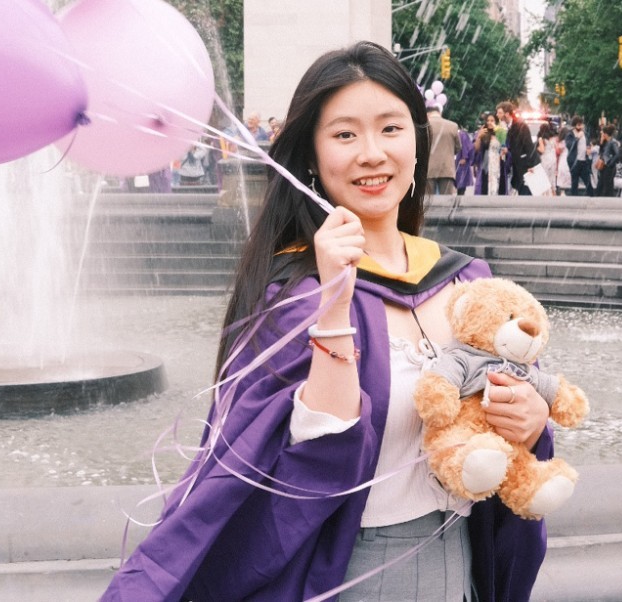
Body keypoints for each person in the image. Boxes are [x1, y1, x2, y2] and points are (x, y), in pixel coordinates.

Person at [100, 41, 555, 602]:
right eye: (345, 135)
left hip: (458, 565)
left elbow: (510, 444)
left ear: (416, 140)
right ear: (312, 157)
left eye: (391, 129)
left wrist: (532, 423)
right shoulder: (293, 294)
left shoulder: (468, 282)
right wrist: (334, 306)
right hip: (347, 571)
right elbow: (312, 467)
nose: (372, 154)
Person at [497, 101, 536, 195]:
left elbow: (529, 146)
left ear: (506, 114)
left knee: (525, 194)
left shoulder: (521, 126)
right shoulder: (505, 127)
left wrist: (531, 165)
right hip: (515, 167)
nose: (497, 115)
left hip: (524, 166)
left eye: (499, 112)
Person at [426, 103, 461, 195]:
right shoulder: (453, 126)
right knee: (446, 201)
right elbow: (458, 147)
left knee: (428, 201)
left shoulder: (422, 126)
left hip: (428, 169)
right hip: (446, 168)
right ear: (439, 113)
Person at [473, 112, 502, 195]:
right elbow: (476, 149)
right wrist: (479, 136)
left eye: (492, 120)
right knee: (484, 185)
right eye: (488, 120)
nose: (490, 122)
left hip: (497, 162)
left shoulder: (500, 133)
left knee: (496, 185)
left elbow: (504, 147)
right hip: (485, 162)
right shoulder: (483, 132)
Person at [565, 116, 594, 196]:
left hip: (584, 161)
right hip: (575, 162)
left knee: (588, 182)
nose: (580, 127)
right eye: (578, 125)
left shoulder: (585, 134)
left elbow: (587, 144)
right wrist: (577, 138)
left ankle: (592, 198)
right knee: (574, 183)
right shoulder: (570, 135)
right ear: (574, 125)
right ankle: (574, 201)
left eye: (581, 125)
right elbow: (569, 146)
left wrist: (588, 148)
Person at [595, 124, 620, 198]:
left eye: (602, 133)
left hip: (609, 167)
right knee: (602, 184)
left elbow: (617, 154)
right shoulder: (606, 142)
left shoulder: (612, 142)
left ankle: (606, 198)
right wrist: (601, 144)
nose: (601, 135)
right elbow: (601, 153)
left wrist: (610, 163)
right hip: (604, 166)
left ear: (605, 134)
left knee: (607, 184)